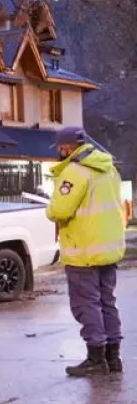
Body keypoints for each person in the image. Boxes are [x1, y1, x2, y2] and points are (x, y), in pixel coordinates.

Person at [46, 126, 126, 377]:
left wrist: (50, 207)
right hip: (108, 249)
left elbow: (58, 211)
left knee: (86, 305)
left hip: (84, 251)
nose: (60, 151)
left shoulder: (75, 171)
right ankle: (113, 357)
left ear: (66, 147)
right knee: (107, 302)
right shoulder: (109, 168)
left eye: (60, 148)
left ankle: (96, 358)